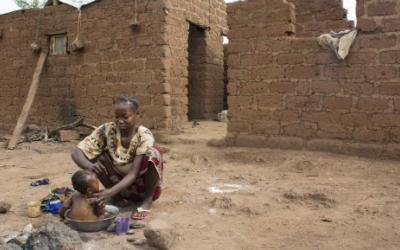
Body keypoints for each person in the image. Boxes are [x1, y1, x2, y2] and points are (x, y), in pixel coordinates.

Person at [71, 95, 163, 220]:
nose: (120, 121)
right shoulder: (107, 130)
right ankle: (117, 199)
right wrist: (90, 166)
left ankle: (147, 202)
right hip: (117, 185)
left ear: (137, 115)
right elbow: (76, 152)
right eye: (117, 117)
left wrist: (109, 192)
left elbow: (133, 174)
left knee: (154, 153)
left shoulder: (144, 135)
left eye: (125, 117)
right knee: (96, 155)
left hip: (141, 188)